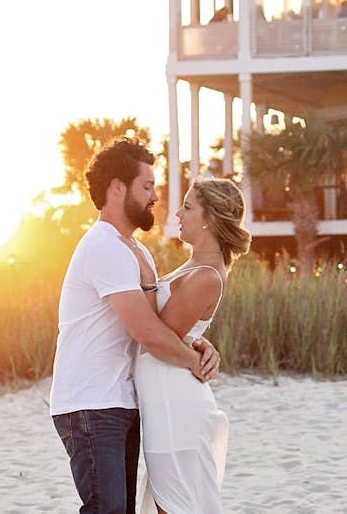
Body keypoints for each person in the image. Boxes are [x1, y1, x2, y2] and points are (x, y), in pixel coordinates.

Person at [50, 138, 221, 514]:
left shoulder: (135, 249)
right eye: (147, 186)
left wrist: (197, 344)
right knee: (107, 509)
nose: (155, 197)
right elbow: (148, 334)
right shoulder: (105, 248)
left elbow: (163, 325)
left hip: (120, 401)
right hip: (90, 403)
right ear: (117, 188)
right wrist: (195, 363)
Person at [128, 176, 250, 514]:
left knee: (173, 505)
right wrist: (197, 340)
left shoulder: (207, 275)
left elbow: (157, 336)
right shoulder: (195, 266)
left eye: (188, 207)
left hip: (175, 407)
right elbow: (177, 331)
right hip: (164, 401)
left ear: (209, 219)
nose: (177, 214)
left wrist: (150, 282)